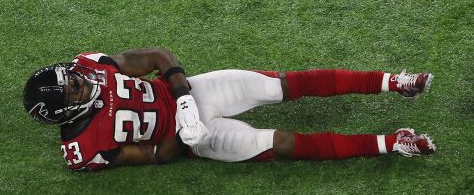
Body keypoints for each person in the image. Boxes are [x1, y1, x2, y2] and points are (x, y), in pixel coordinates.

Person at [23, 47, 436, 171]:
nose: (82, 79)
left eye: (73, 76)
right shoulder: (85, 145)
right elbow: (151, 156)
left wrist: (183, 97)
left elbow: (157, 57)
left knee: (283, 85)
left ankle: (391, 82)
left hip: (195, 93)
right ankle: (392, 143)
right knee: (282, 142)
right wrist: (181, 137)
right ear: (65, 114)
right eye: (75, 88)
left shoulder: (93, 65)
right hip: (194, 140)